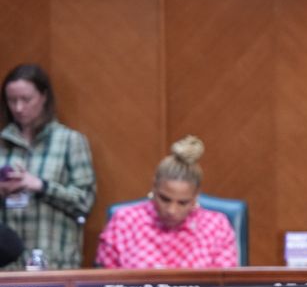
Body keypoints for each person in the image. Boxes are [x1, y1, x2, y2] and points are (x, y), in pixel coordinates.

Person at [0, 64, 96, 269]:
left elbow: (85, 203)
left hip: (55, 261)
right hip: (7, 264)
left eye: (26, 99)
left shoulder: (70, 141)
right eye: (12, 100)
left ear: (44, 97)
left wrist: (40, 186)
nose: (18, 108)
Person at [96, 136, 239, 268]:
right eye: (164, 199)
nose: (171, 210)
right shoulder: (124, 222)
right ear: (154, 186)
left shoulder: (217, 227)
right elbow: (103, 282)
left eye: (182, 202)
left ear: (196, 195)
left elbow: (225, 285)